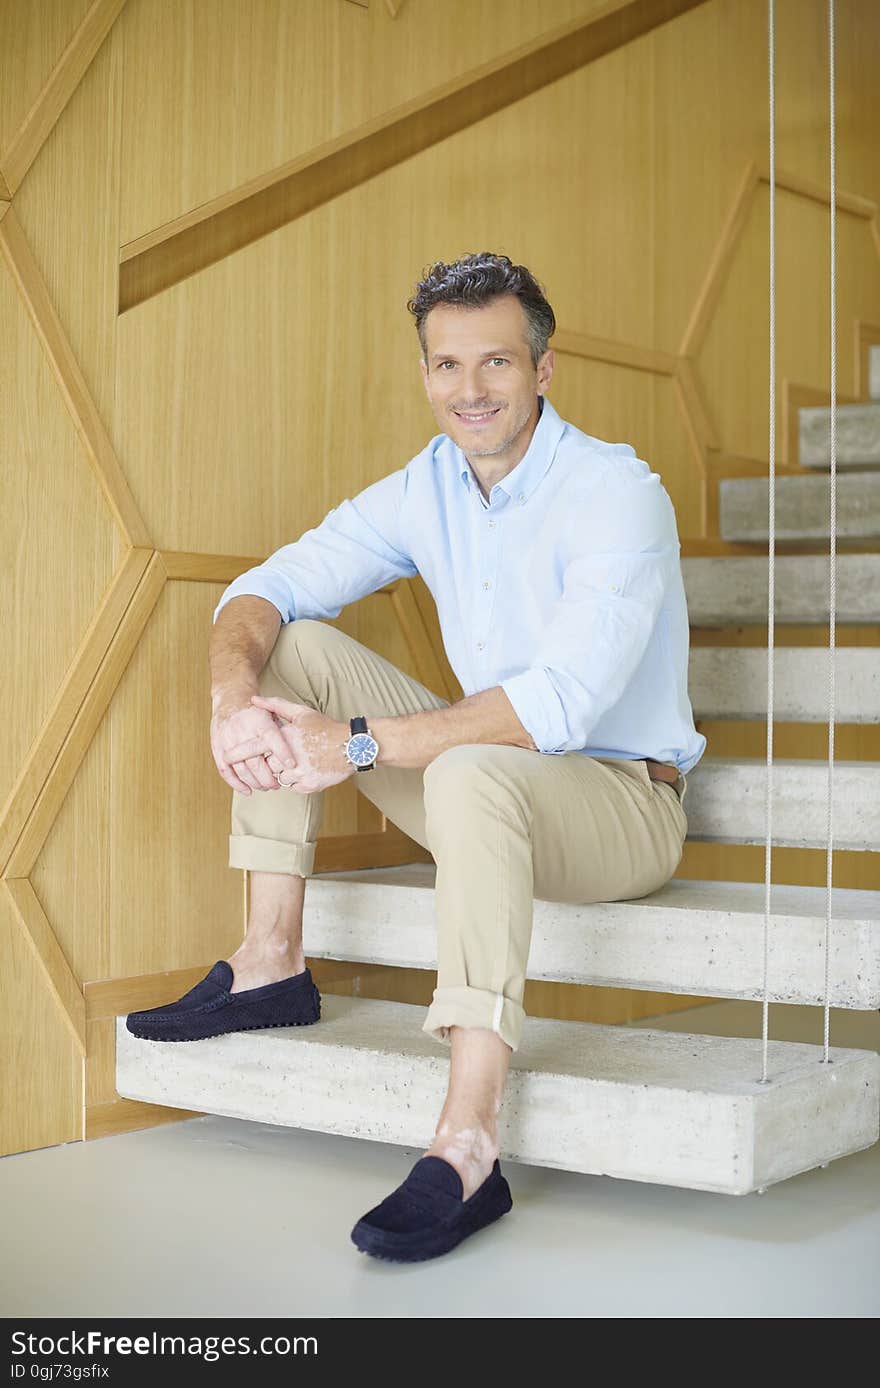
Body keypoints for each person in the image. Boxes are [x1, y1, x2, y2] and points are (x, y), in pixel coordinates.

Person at [126, 251, 706, 1263]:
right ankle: (271, 960)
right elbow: (267, 586)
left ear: (542, 369)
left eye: (495, 363)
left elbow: (556, 703)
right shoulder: (427, 485)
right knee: (293, 647)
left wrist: (353, 744)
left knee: (474, 762)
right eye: (446, 365)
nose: (469, 390)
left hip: (618, 804)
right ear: (425, 372)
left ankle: (468, 1137)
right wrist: (232, 700)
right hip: (479, 786)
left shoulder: (616, 492)